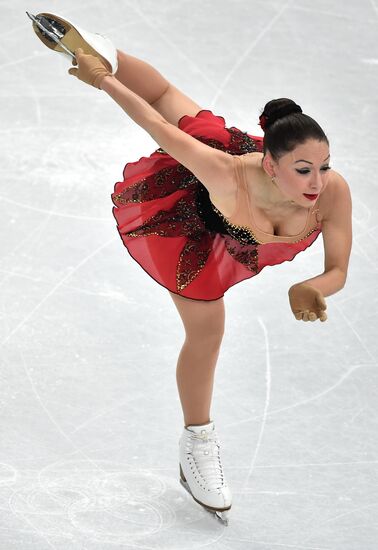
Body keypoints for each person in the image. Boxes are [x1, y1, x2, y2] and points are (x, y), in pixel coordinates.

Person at [29, 12, 352, 526]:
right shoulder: (224, 175)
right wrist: (103, 78)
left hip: (247, 193)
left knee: (179, 107)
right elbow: (153, 121)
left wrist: (313, 284)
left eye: (324, 165)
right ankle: (197, 441)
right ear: (273, 165)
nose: (318, 182)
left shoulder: (330, 191)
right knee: (207, 332)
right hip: (192, 221)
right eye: (304, 169)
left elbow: (338, 266)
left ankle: (105, 52)